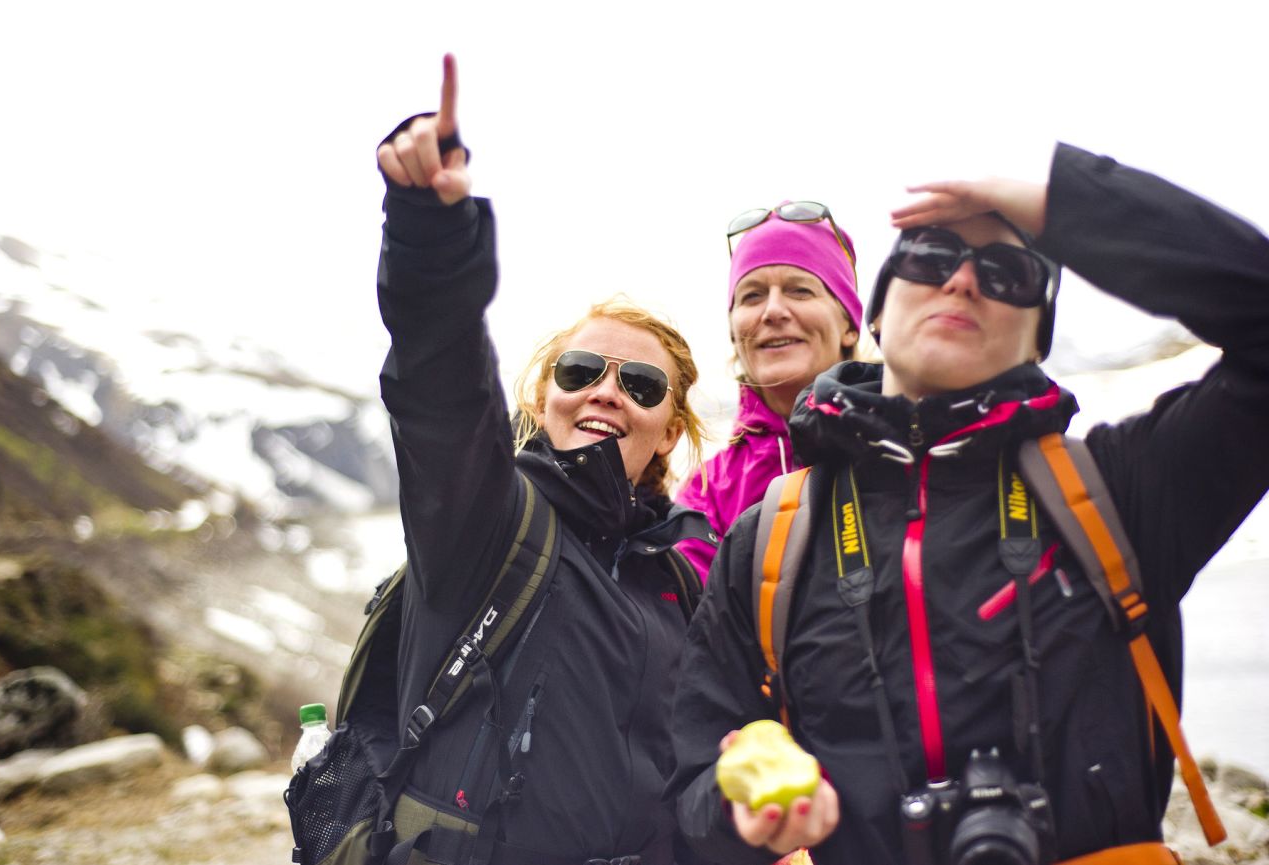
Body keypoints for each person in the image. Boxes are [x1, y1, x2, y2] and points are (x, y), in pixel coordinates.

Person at [669, 144, 1269, 864]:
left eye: (1008, 272)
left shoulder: (1120, 491)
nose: (960, 280)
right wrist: (740, 813)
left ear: (1037, 340)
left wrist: (1062, 203)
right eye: (929, 257)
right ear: (878, 315)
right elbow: (691, 789)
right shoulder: (770, 541)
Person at [376, 55, 712, 864]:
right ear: (543, 394)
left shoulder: (677, 580)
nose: (606, 391)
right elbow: (438, 390)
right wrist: (431, 238)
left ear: (670, 430)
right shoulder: (485, 521)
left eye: (639, 383)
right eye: (580, 370)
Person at [675, 202, 863, 580]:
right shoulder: (708, 493)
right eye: (752, 296)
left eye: (800, 290)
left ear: (849, 324)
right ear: (734, 332)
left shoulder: (905, 440)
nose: (773, 311)